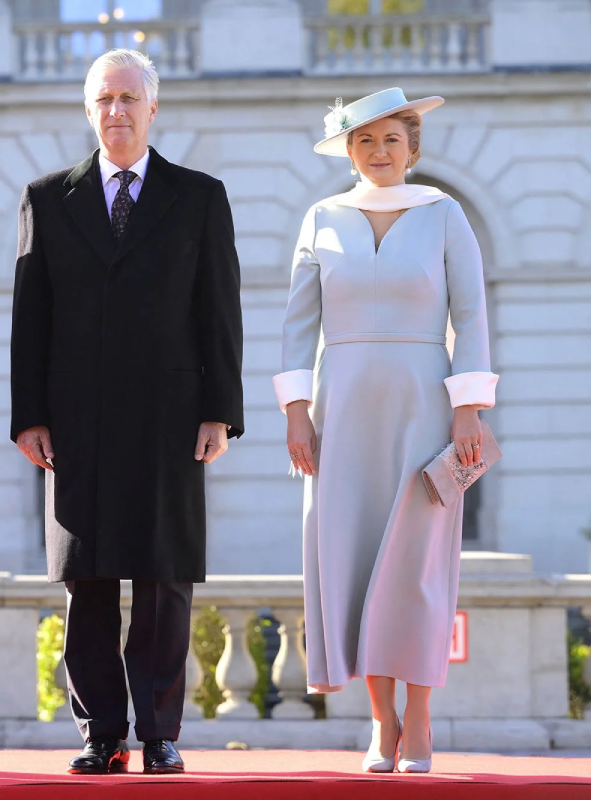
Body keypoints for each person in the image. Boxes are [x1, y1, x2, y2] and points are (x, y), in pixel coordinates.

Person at [10, 49, 244, 775]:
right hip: (76, 421)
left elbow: (219, 312)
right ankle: (101, 733)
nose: (116, 112)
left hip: (172, 418)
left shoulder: (200, 197)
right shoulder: (48, 198)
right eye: (103, 99)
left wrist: (221, 411)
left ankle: (159, 732)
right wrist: (29, 416)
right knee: (87, 579)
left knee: (164, 578)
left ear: (153, 107)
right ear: (89, 111)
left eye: (128, 99)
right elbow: (30, 319)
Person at [274, 88, 497, 774]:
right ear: (348, 150)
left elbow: (473, 313)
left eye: (391, 140)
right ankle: (381, 722)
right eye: (364, 141)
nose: (378, 152)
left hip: (424, 405)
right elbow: (297, 325)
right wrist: (296, 412)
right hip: (340, 410)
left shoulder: (445, 215)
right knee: (350, 557)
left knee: (421, 566)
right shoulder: (320, 218)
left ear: (413, 149)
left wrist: (468, 408)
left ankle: (422, 718)